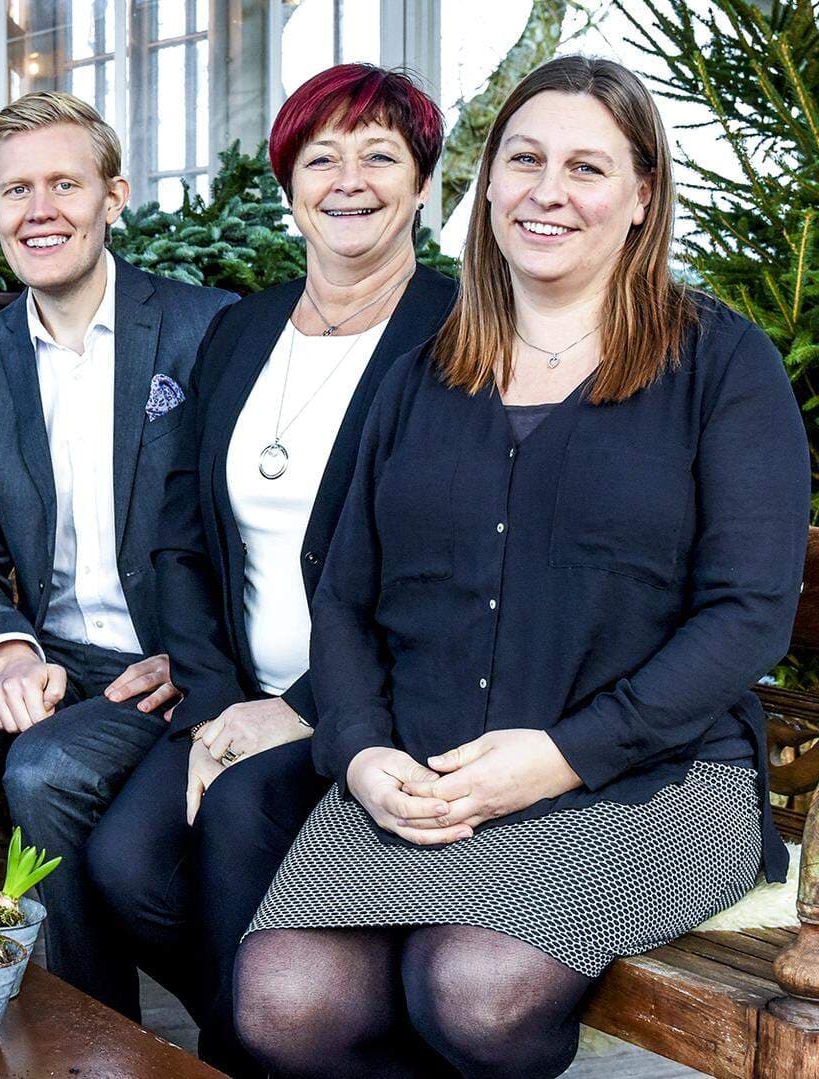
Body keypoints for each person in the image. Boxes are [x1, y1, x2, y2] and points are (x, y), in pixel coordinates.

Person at [232, 56, 808, 1079]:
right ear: (488, 183)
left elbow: (748, 613)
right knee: (286, 999)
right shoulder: (422, 375)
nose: (549, 190)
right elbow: (348, 600)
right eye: (525, 159)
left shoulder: (721, 365)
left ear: (641, 197)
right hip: (424, 772)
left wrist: (560, 754)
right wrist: (362, 753)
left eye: (588, 167)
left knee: (478, 988)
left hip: (651, 778)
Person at [85, 63, 456, 1074]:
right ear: (288, 183)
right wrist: (216, 704)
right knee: (124, 862)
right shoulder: (243, 330)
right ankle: (326, 1045)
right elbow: (179, 537)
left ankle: (249, 1048)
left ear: (424, 182)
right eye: (320, 155)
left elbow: (447, 570)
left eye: (381, 154)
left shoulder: (459, 334)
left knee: (243, 812)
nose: (349, 179)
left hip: (385, 702)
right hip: (237, 691)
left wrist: (302, 707)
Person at [0, 90, 235, 1015]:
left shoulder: (207, 330)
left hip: (165, 664)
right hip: (51, 653)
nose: (39, 210)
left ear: (113, 196)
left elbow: (254, 532)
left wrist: (201, 659)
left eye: (64, 184)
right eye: (14, 191)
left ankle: (92, 1035)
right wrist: (11, 653)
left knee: (45, 769)